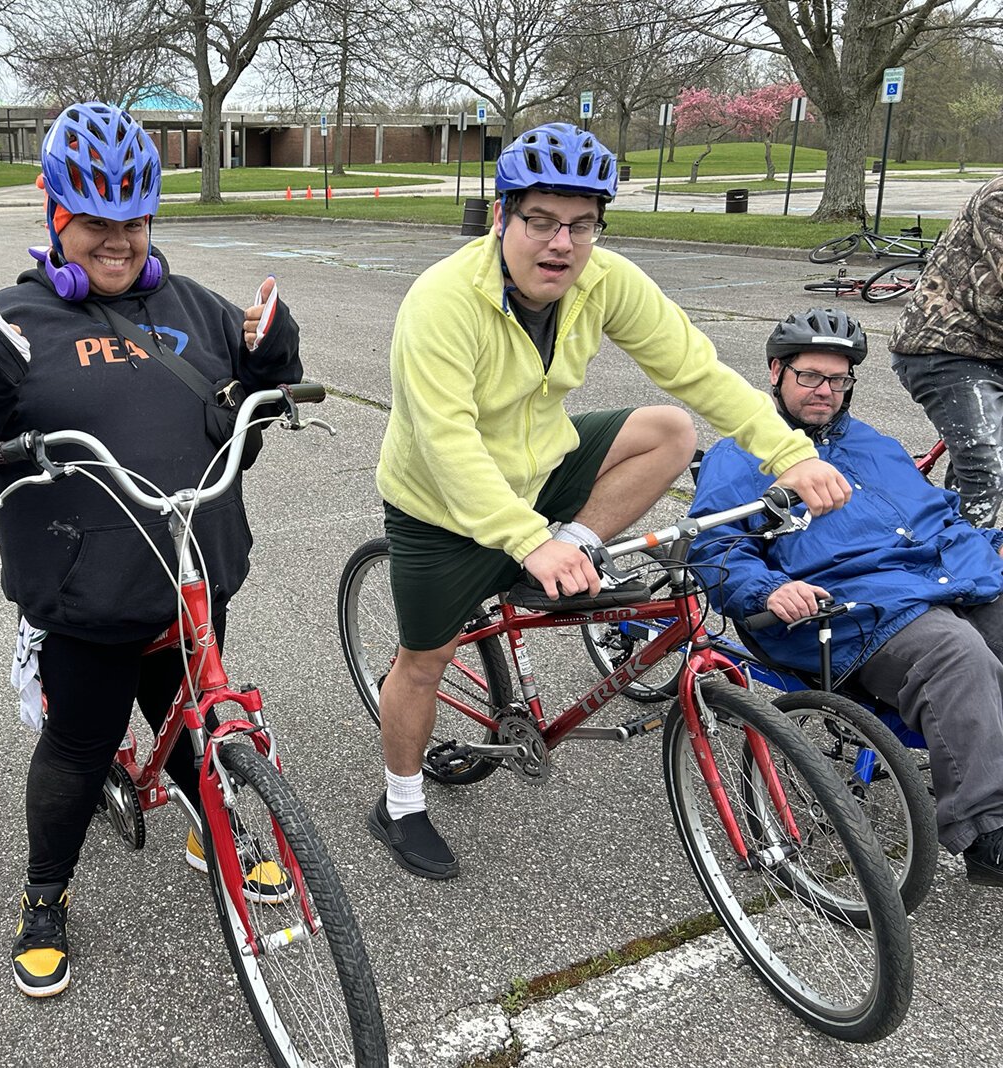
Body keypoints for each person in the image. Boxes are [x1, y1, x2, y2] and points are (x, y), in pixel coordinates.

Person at [370, 122, 851, 881]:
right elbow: (446, 443)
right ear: (502, 218)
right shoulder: (440, 303)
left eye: (582, 224)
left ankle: (579, 543)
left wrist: (789, 452)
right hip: (441, 502)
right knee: (423, 661)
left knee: (667, 428)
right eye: (540, 221)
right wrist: (528, 541)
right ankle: (398, 803)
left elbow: (696, 370)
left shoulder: (606, 280)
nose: (561, 243)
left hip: (542, 463)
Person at [0, 101, 301, 998]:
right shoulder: (15, 318)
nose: (115, 242)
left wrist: (274, 359)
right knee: (80, 753)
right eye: (93, 224)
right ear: (56, 219)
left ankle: (217, 825)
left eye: (131, 222)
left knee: (201, 716)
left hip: (196, 572)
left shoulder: (193, 306)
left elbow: (249, 408)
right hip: (86, 591)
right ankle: (45, 894)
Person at [688, 308, 1003, 887]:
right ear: (776, 371)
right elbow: (714, 549)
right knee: (956, 655)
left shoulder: (873, 444)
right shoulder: (740, 456)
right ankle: (988, 830)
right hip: (850, 612)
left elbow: (935, 516)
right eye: (810, 376)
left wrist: (989, 546)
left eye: (838, 379)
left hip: (939, 580)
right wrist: (770, 587)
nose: (825, 391)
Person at [889, 174, 1003, 529]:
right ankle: (966, 573)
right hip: (947, 348)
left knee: (977, 460)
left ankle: (957, 535)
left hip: (993, 348)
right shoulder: (997, 199)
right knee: (986, 472)